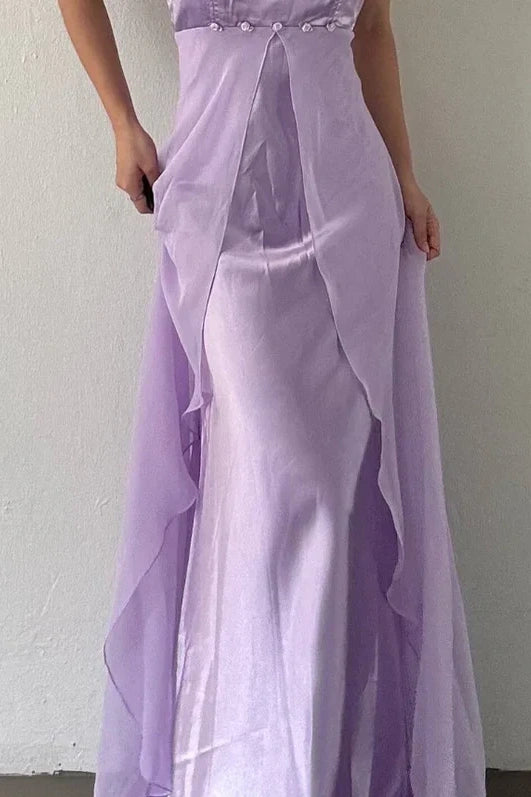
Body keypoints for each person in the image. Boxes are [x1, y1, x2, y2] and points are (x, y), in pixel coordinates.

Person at [58, 0, 486, 794]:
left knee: (334, 502)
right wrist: (122, 123)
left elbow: (371, 31)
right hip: (222, 209)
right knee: (263, 491)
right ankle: (242, 767)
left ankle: (316, 766)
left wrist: (404, 176)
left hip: (351, 207)